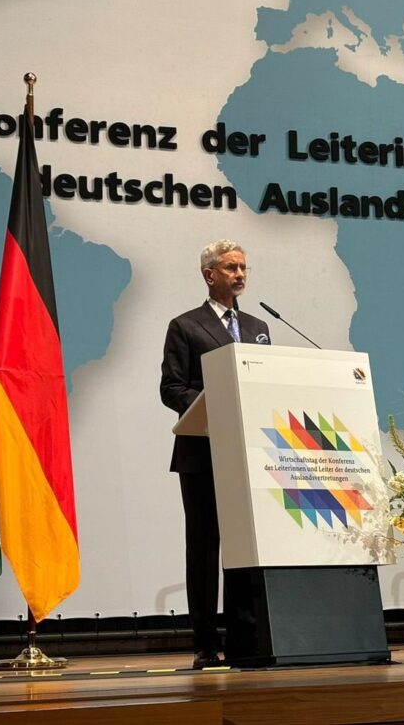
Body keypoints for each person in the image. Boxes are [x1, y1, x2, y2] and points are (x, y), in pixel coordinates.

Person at [160, 239, 270, 668]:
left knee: (247, 546)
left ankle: (247, 637)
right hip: (202, 452)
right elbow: (171, 388)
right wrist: (217, 402)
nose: (239, 274)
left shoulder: (259, 327)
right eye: (230, 267)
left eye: (243, 267)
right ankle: (205, 643)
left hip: (248, 454)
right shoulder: (185, 326)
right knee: (205, 548)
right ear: (209, 275)